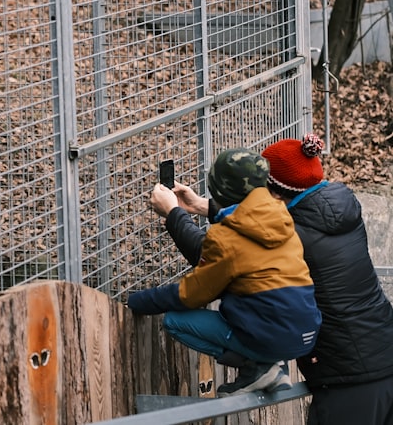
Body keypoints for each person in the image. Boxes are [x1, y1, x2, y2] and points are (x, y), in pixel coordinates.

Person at [158, 134, 393, 423]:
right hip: (382, 357)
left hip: (350, 380)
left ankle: (257, 366)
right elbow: (263, 223)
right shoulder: (340, 209)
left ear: (276, 194)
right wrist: (206, 208)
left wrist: (173, 213)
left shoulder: (291, 236)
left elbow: (212, 254)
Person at [127, 148, 321, 396]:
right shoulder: (281, 217)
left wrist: (135, 302)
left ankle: (255, 366)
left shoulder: (225, 238)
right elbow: (242, 220)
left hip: (272, 336)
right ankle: (269, 365)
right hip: (306, 334)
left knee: (175, 321)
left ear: (219, 191)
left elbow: (191, 295)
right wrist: (197, 207)